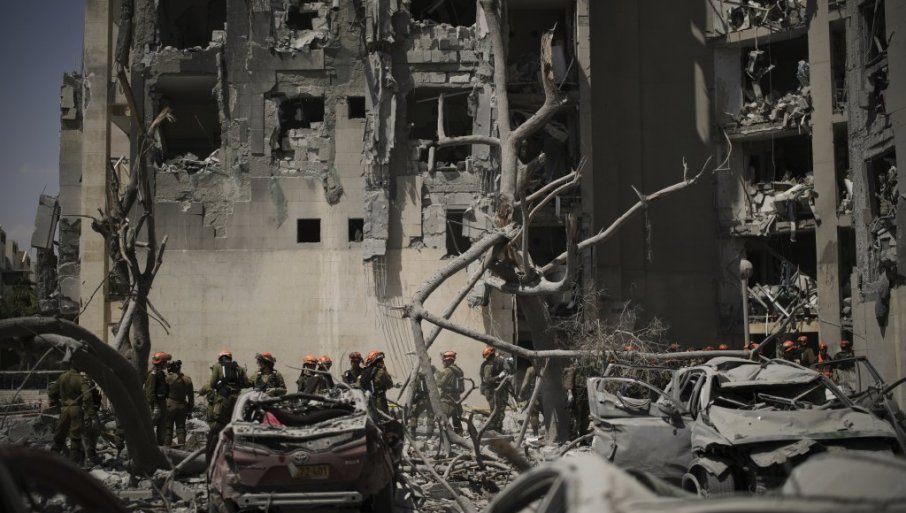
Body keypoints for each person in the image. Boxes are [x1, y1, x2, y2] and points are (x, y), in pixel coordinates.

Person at [48, 357, 94, 465]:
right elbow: (87, 396)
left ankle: (51, 461)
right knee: (75, 438)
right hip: (76, 409)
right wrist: (89, 412)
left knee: (59, 436)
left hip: (64, 409)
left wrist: (58, 404)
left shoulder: (62, 377)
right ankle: (73, 464)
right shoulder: (81, 379)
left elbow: (51, 393)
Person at [205, 350, 248, 462]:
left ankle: (210, 458)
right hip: (236, 400)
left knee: (217, 427)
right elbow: (245, 383)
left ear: (220, 358)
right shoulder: (239, 368)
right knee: (231, 425)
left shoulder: (217, 366)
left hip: (223, 399)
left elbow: (212, 384)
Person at [164, 359, 194, 447]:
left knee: (168, 427)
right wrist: (190, 409)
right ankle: (182, 447)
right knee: (181, 428)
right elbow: (191, 397)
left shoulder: (167, 378)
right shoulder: (187, 379)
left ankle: (167, 447)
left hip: (170, 405)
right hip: (182, 406)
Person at [480, 346, 509, 433]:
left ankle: (498, 428)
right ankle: (491, 428)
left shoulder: (499, 361)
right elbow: (488, 380)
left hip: (500, 388)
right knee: (495, 409)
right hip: (490, 389)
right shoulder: (487, 365)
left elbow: (509, 370)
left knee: (501, 409)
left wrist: (505, 366)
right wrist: (499, 376)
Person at [144, 351, 170, 445]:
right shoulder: (153, 374)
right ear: (161, 362)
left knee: (162, 425)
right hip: (154, 404)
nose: (166, 364)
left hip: (161, 402)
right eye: (165, 362)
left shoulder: (160, 373)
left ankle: (160, 445)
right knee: (150, 425)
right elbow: (149, 392)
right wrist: (155, 406)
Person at [436, 351, 465, 435]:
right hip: (456, 398)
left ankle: (446, 437)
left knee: (443, 418)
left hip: (447, 399)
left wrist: (434, 380)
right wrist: (436, 372)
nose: (443, 363)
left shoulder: (448, 371)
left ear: (448, 361)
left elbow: (441, 383)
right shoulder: (459, 370)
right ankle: (459, 435)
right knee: (456, 420)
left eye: (444, 361)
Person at [564, 362, 590, 438]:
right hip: (577, 393)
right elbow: (569, 378)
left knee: (585, 416)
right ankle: (573, 436)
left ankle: (583, 436)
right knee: (576, 415)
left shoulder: (589, 366)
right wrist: (570, 393)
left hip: (586, 392)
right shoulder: (575, 365)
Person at [407, 368, 435, 437]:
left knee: (414, 414)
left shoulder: (419, 377)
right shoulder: (431, 377)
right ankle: (429, 435)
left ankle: (413, 432)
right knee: (430, 416)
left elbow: (414, 390)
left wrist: (412, 401)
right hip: (430, 400)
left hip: (421, 400)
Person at [517, 363, 541, 437]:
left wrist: (521, 394)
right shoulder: (548, 368)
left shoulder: (531, 369)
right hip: (547, 394)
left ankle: (536, 434)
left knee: (534, 414)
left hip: (535, 393)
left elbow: (525, 383)